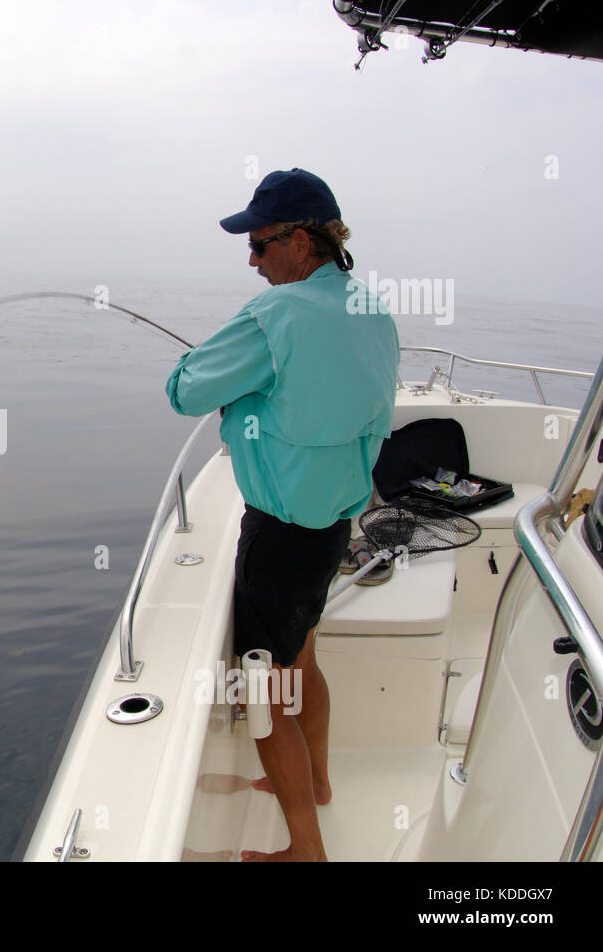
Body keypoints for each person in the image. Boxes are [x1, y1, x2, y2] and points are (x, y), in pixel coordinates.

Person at [165, 168, 399, 861]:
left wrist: (219, 383)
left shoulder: (276, 315)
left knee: (263, 690)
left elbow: (184, 390)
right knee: (305, 656)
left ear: (300, 242)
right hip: (332, 531)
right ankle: (317, 781)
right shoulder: (373, 310)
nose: (252, 260)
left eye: (260, 245)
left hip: (279, 536)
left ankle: (306, 848)